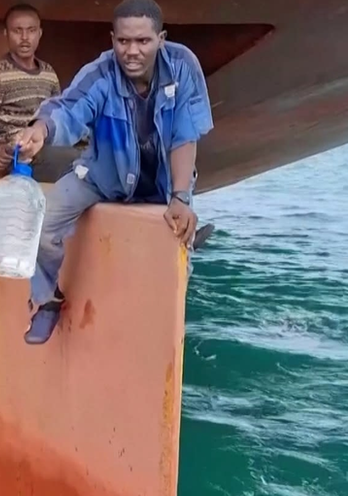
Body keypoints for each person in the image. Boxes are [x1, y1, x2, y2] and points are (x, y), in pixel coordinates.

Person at [16, 0, 214, 345]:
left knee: (177, 252)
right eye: (123, 41)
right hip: (103, 176)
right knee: (43, 223)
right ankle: (46, 300)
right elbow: (68, 109)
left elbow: (185, 135)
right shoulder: (100, 73)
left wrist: (181, 198)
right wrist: (41, 129)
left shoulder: (183, 66)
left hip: (166, 181)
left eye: (143, 41)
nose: (132, 51)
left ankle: (170, 323)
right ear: (112, 40)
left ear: (161, 39)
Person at [0, 4, 74, 181]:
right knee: (79, 162)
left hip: (48, 148)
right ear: (6, 34)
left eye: (31, 30)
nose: (25, 38)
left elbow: (57, 117)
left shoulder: (49, 74)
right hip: (18, 156)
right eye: (17, 31)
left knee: (93, 155)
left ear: (40, 33)